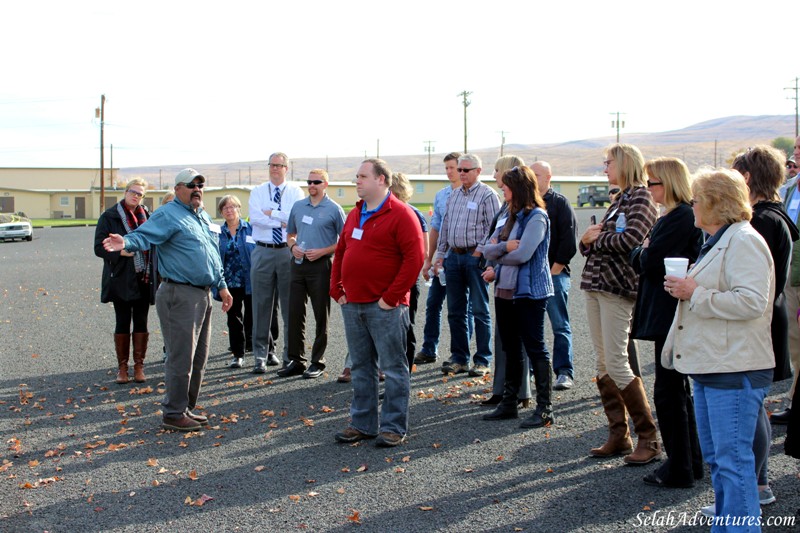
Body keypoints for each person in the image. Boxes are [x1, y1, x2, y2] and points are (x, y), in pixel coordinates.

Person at [663, 168, 774, 524]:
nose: (692, 205)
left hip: (734, 367)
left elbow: (752, 302)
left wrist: (696, 293)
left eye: (696, 199)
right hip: (713, 366)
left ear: (714, 202)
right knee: (718, 459)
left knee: (733, 462)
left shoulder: (744, 240)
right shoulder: (720, 239)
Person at [102, 168, 233, 432]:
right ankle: (173, 413)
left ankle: (185, 408)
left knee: (198, 358)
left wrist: (222, 286)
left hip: (203, 294)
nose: (197, 189)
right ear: (177, 189)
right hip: (179, 293)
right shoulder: (168, 213)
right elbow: (144, 235)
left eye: (201, 184)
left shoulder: (202, 215)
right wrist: (125, 241)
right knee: (181, 357)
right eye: (191, 185)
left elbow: (212, 254)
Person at [331, 159, 424, 447]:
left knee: (394, 368)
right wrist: (336, 288)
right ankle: (363, 423)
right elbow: (342, 251)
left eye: (362, 176)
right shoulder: (355, 213)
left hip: (386, 307)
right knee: (361, 367)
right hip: (353, 303)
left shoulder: (401, 213)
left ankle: (393, 427)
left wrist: (391, 298)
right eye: (356, 176)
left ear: (381, 180)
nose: (356, 181)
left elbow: (415, 259)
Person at [579, 143, 660, 464]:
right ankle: (618, 434)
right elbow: (588, 243)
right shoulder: (619, 200)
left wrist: (594, 239)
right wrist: (587, 240)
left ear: (624, 163)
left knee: (616, 362)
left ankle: (648, 436)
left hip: (618, 287)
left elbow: (630, 240)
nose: (604, 168)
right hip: (595, 286)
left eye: (608, 163)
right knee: (602, 364)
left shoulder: (641, 198)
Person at [629, 158, 703, 488]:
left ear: (669, 183)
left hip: (670, 313)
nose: (648, 189)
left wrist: (644, 251)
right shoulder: (674, 215)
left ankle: (681, 467)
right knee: (676, 391)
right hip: (667, 312)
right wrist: (643, 251)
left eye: (653, 183)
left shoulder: (681, 216)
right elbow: (644, 255)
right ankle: (689, 462)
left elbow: (650, 260)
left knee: (670, 393)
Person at [732, 146, 798, 506]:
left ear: (747, 177)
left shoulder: (761, 221)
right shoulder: (774, 217)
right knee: (754, 405)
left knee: (751, 405)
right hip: (768, 320)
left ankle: (758, 486)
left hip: (759, 324)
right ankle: (758, 482)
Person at [481, 166, 555, 428]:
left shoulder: (537, 217)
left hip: (529, 293)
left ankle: (545, 408)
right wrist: (502, 249)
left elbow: (524, 254)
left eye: (506, 185)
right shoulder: (508, 215)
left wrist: (497, 253)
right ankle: (509, 403)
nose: (502, 189)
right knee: (510, 346)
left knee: (535, 347)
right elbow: (485, 249)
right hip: (504, 290)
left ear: (519, 187)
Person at [434, 154, 500, 376]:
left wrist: (479, 251)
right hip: (454, 256)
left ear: (478, 171)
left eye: (466, 170)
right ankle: (459, 358)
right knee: (455, 311)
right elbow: (445, 227)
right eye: (459, 169)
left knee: (480, 310)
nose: (461, 173)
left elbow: (494, 229)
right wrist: (440, 254)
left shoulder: (488, 195)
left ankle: (482, 359)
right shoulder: (453, 196)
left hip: (475, 258)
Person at [278, 169, 345, 379]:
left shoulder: (334, 209)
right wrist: (292, 246)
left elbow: (345, 241)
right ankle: (296, 360)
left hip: (321, 266)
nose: (312, 185)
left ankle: (318, 361)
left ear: (325, 184)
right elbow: (290, 234)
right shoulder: (298, 206)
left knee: (320, 315)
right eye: (309, 181)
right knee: (295, 312)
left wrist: (323, 251)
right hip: (298, 264)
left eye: (316, 181)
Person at [481, 155, 532, 408]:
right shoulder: (505, 208)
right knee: (503, 339)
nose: (494, 177)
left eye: (497, 171)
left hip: (518, 284)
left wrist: (496, 256)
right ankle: (501, 390)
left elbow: (519, 250)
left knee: (518, 341)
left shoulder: (528, 212)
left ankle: (521, 393)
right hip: (502, 279)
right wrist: (494, 261)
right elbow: (490, 244)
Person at [94, 178, 156, 384]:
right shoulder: (109, 217)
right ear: (125, 192)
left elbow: (153, 242)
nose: (136, 196)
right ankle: (122, 368)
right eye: (133, 191)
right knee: (122, 321)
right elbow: (98, 248)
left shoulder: (147, 216)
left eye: (140, 193)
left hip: (143, 277)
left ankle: (139, 366)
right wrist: (121, 252)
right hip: (120, 277)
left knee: (141, 322)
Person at [415, 152, 473, 365]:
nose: (450, 172)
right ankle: (429, 348)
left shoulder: (473, 195)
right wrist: (428, 259)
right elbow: (436, 228)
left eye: (453, 168)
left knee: (463, 309)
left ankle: (462, 354)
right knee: (433, 304)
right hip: (442, 260)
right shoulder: (441, 195)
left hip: (463, 259)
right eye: (447, 168)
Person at [248, 152, 304, 373]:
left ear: (286, 169)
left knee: (290, 306)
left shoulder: (295, 192)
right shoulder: (258, 191)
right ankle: (260, 356)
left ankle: (289, 355)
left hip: (287, 252)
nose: (275, 168)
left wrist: (273, 213)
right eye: (272, 165)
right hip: (262, 251)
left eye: (279, 165)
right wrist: (282, 218)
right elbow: (255, 218)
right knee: (260, 305)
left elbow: (295, 219)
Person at [531, 161, 578, 391]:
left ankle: (564, 372)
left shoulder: (559, 203)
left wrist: (553, 272)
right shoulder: (526, 203)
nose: (532, 177)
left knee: (560, 325)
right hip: (529, 277)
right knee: (531, 327)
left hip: (554, 276)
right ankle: (533, 372)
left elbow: (568, 242)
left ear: (549, 177)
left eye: (536, 174)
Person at [775, 136, 800, 425]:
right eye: (795, 149)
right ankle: (794, 402)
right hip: (792, 277)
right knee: (795, 344)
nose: (795, 154)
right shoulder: (790, 189)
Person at [216, 195, 255, 369]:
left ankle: (258, 350)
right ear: (221, 212)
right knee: (233, 319)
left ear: (239, 209)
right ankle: (238, 355)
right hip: (229, 283)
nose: (229, 210)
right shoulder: (217, 233)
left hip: (250, 280)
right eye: (225, 208)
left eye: (232, 207)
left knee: (252, 317)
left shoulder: (251, 229)